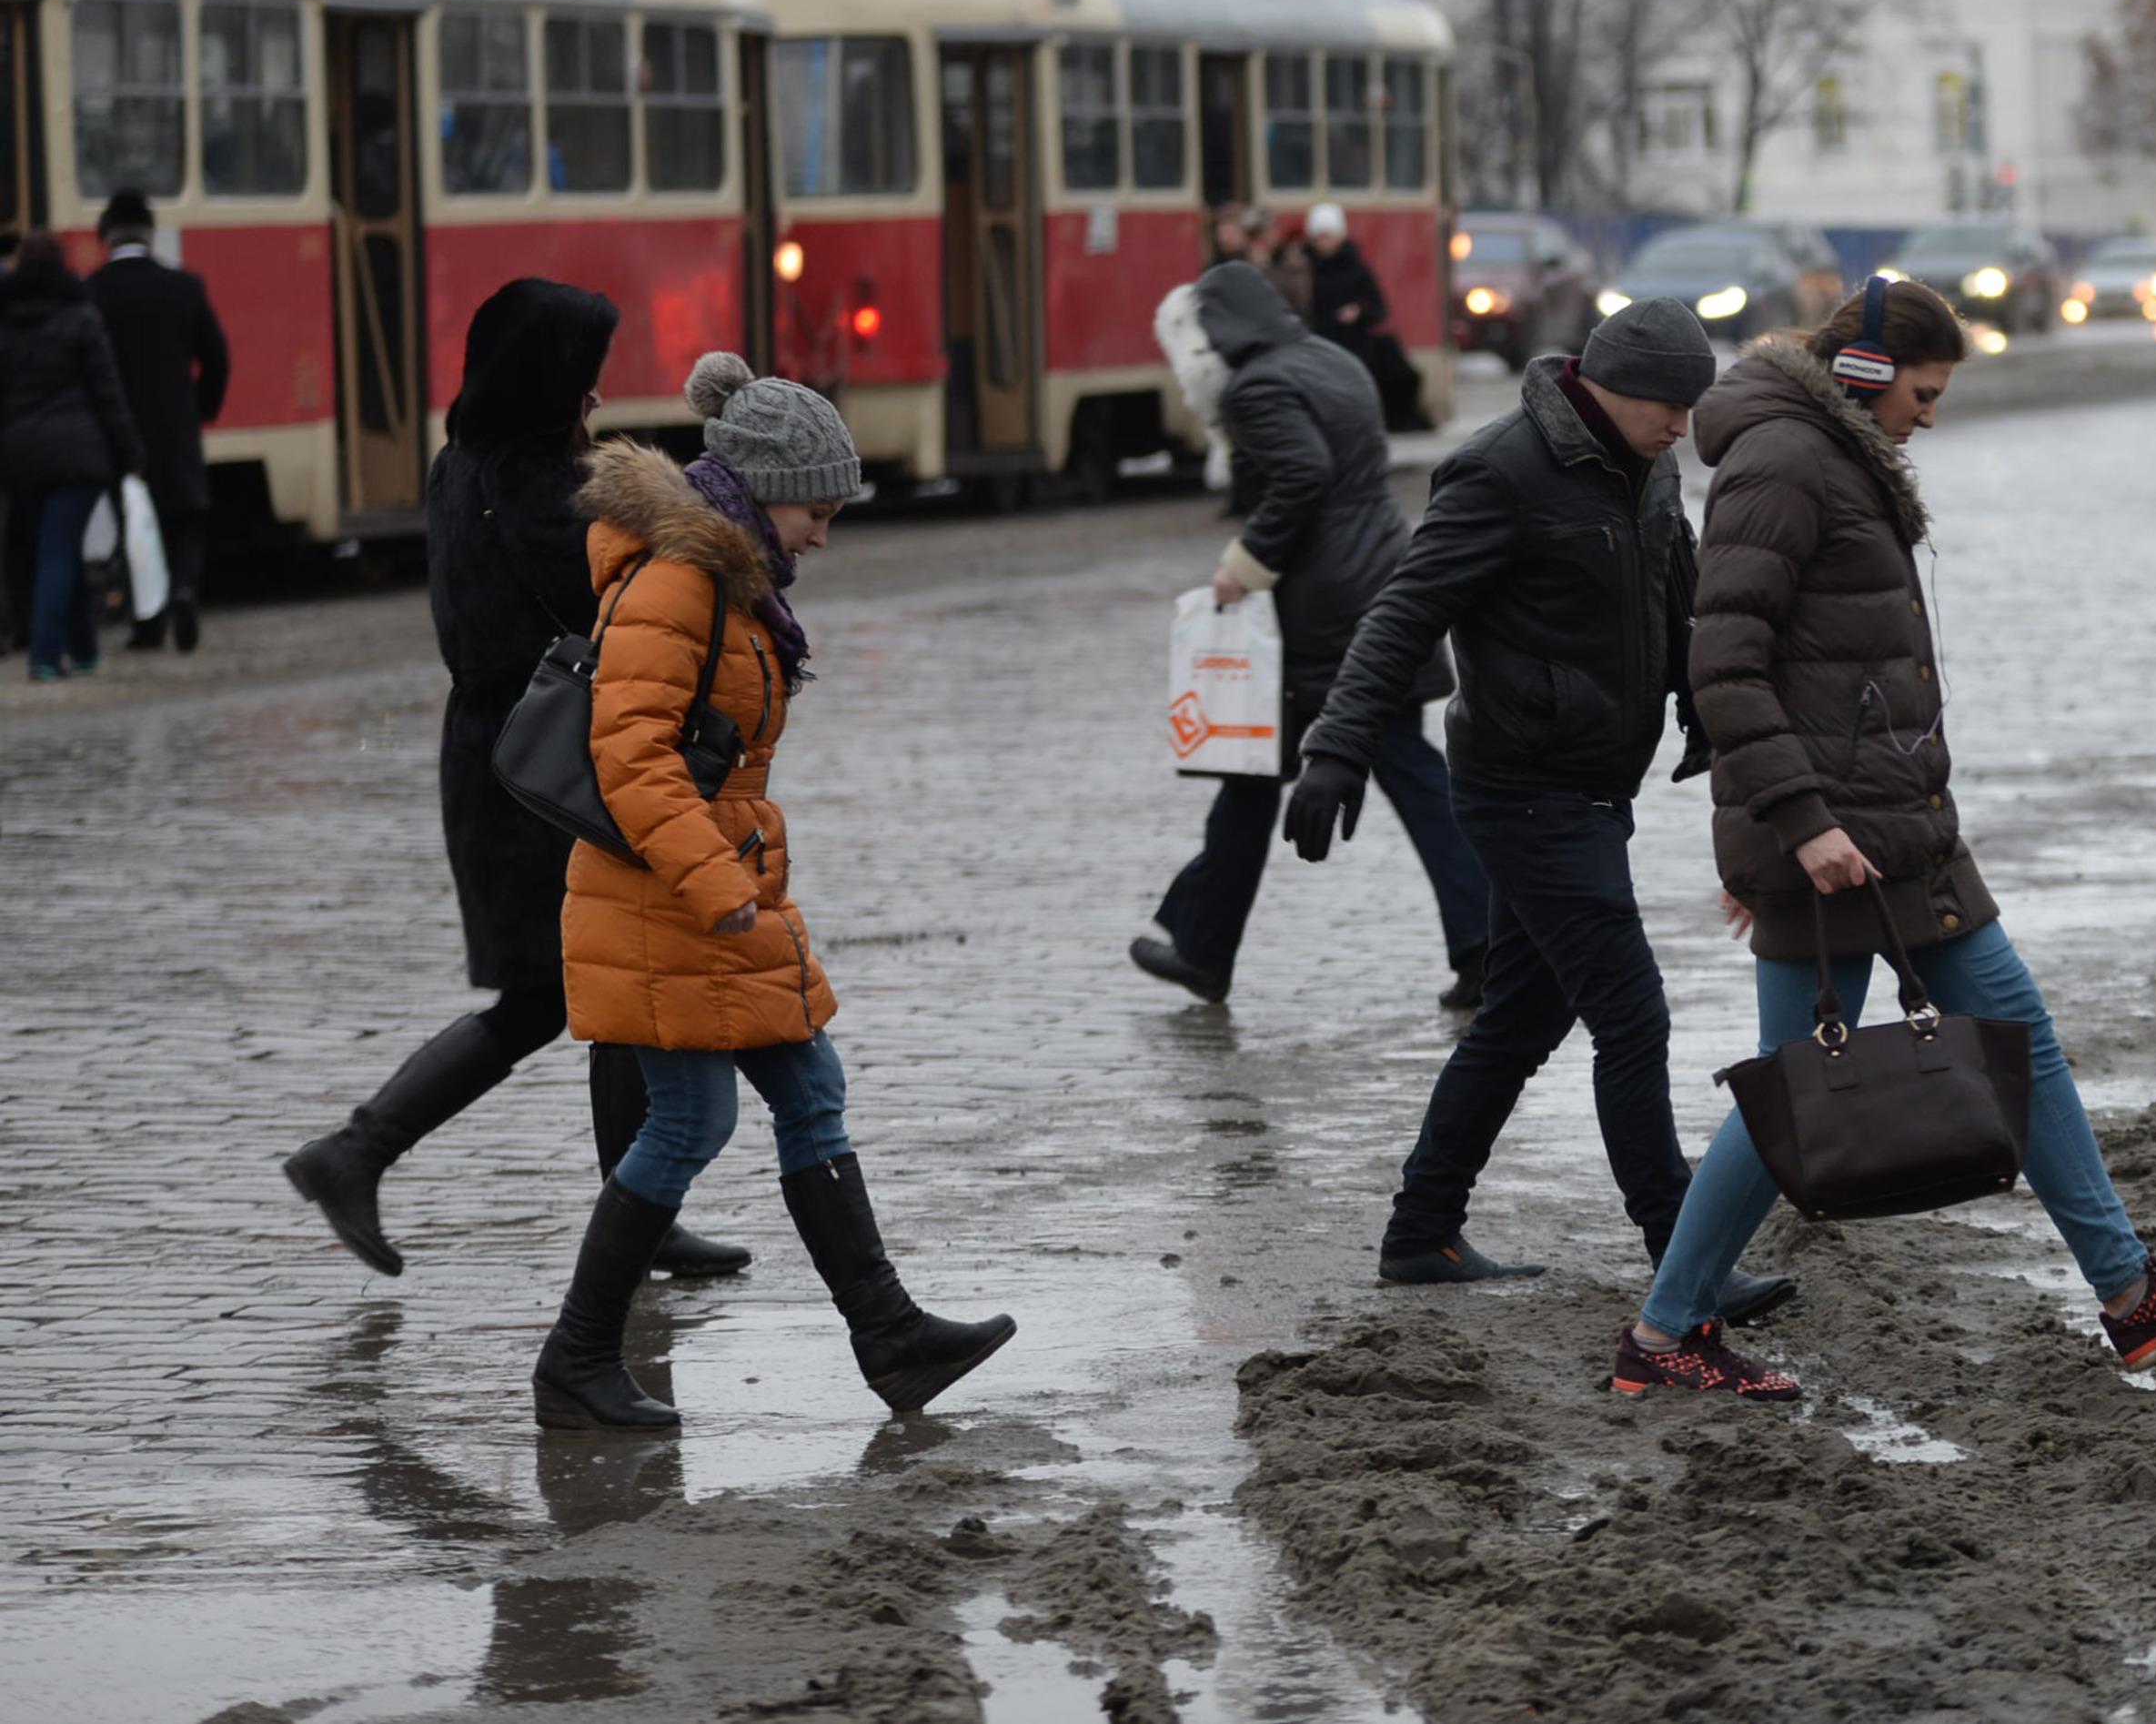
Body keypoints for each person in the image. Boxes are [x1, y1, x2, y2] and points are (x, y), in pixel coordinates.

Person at [1611, 279, 2156, 1401]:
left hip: (1889, 829)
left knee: (2011, 1038)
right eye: (1923, 392)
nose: (1931, 415)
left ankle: (2130, 1294)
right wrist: (1796, 826)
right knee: (1791, 1095)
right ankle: (1666, 1329)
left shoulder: (1826, 454)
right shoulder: (1782, 461)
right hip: (1843, 834)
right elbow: (1721, 663)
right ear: (1865, 376)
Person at [534, 350, 1013, 1429]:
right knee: (691, 1120)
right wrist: (714, 884)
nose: (823, 535)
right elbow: (632, 756)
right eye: (817, 511)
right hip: (671, 891)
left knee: (805, 1092)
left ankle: (891, 1338)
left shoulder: (730, 578)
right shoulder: (678, 580)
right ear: (762, 495)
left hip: (711, 879)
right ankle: (574, 1360)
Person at [1284, 301, 1788, 1326]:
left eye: (1692, 407)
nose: (1680, 426)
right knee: (1631, 1013)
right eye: (1667, 405)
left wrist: (1697, 706)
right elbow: (1402, 610)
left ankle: (1420, 1231)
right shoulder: (1500, 471)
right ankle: (1680, 1257)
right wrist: (1334, 748)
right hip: (1524, 787)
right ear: (1606, 384)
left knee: (1518, 1016)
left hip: (1593, 785)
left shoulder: (1640, 460)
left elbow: (1671, 588)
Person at [284, 281, 749, 1282]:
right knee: (561, 991)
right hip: (542, 761)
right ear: (546, 382)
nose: (594, 400)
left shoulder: (467, 463)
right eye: (582, 381)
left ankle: (641, 1213)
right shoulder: (538, 486)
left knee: (603, 989)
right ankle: (359, 1148)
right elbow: (633, 580)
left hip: (506, 750)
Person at [1131, 262, 1490, 1010]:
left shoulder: (1257, 387)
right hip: (1383, 580)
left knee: (1376, 768)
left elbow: (1301, 476)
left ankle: (1489, 941)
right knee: (1259, 773)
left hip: (1329, 613)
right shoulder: (1331, 358)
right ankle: (1202, 944)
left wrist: (1245, 565)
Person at [87, 189, 230, 651]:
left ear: (107, 236)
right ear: (150, 234)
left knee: (135, 523)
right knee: (185, 518)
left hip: (120, 428)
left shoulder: (93, 292)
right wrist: (201, 407)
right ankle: (185, 589)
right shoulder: (184, 286)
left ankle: (148, 621)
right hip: (176, 424)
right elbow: (218, 359)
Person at [0, 230, 141, 683]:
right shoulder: (82, 317)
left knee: (58, 549)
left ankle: (84, 651)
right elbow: (108, 392)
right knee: (59, 552)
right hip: (78, 456)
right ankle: (44, 655)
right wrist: (129, 450)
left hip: (20, 455)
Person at [1303, 202, 1427, 431]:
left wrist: (1358, 312)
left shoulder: (1356, 268)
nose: (1323, 243)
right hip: (1318, 343)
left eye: (1327, 237)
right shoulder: (1303, 267)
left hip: (1353, 345)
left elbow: (1379, 308)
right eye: (1318, 237)